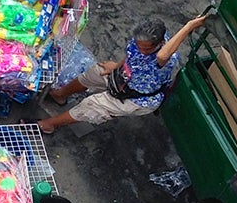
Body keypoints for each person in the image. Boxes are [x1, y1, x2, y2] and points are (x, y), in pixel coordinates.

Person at [38, 15, 211, 134]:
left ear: (160, 42)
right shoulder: (141, 37)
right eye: (139, 46)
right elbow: (130, 54)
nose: (141, 51)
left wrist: (191, 25)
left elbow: (162, 56)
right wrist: (117, 66)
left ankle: (49, 125)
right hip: (124, 76)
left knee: (92, 104)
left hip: (137, 97)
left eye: (147, 49)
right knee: (94, 73)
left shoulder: (168, 57)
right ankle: (60, 95)